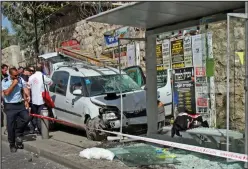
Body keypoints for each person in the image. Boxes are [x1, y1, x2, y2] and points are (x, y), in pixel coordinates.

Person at [1, 67, 30, 152]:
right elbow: (6, 93)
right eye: (15, 75)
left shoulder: (20, 79)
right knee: (10, 126)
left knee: (27, 118)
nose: (17, 76)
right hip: (10, 106)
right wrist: (13, 84)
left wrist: (25, 100)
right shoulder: (5, 81)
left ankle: (18, 133)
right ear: (10, 74)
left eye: (17, 74)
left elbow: (22, 89)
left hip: (20, 104)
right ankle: (12, 144)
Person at [28, 64, 52, 134]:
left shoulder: (31, 77)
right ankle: (39, 129)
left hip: (34, 99)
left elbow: (28, 87)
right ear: (42, 69)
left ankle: (35, 128)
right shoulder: (43, 77)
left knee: (35, 115)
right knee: (40, 115)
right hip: (41, 99)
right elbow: (51, 82)